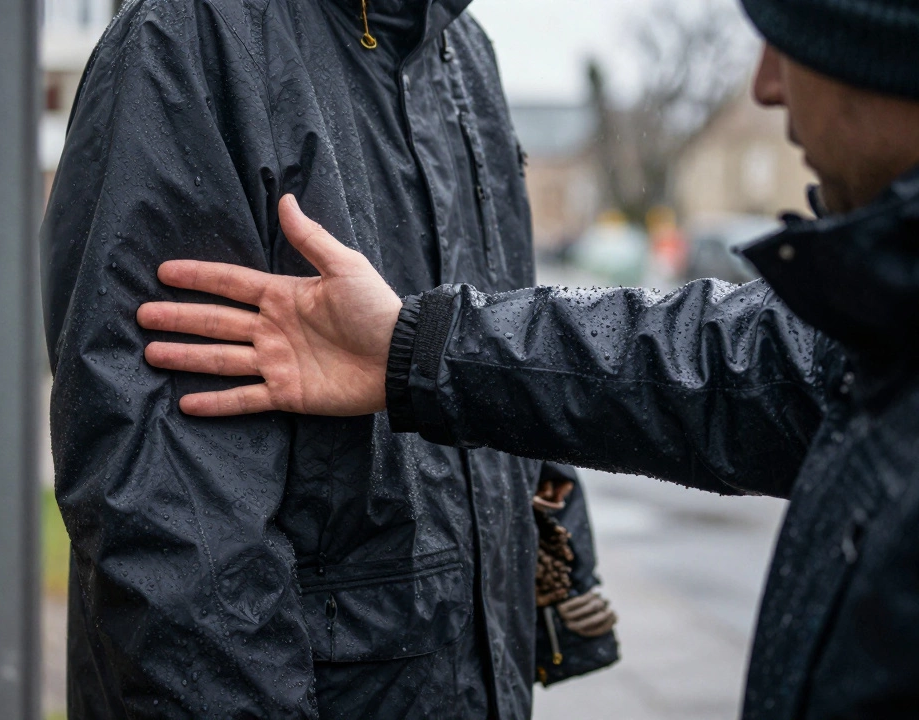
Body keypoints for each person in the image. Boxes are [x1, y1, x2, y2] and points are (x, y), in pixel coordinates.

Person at [136, 0, 919, 716]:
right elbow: (738, 364)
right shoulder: (191, 39)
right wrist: (421, 346)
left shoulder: (458, 52)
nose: (765, 85)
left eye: (798, 38)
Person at [40, 0, 619, 716]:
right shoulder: (191, 35)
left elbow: (507, 311)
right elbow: (162, 505)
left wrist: (560, 578)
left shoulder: (462, 48)